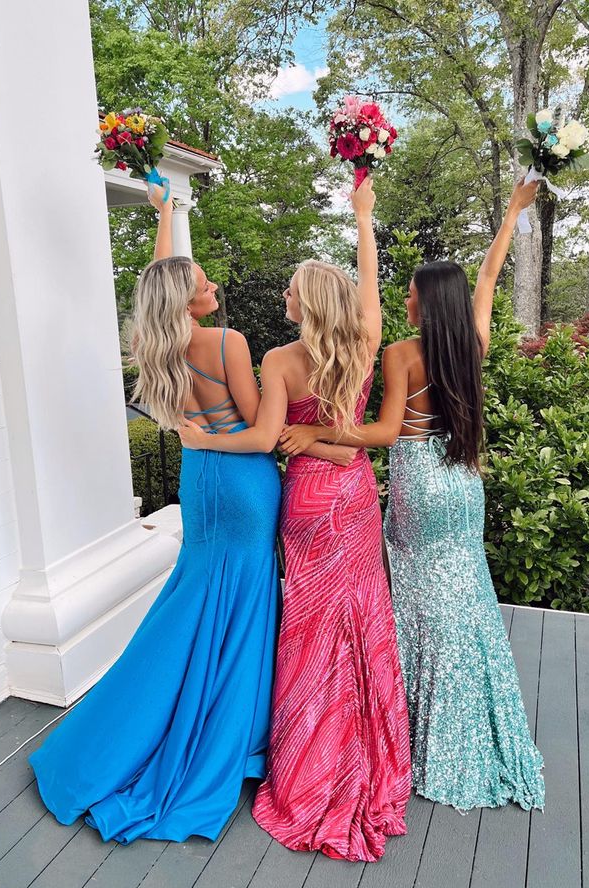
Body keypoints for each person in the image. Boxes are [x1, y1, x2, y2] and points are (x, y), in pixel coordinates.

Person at [28, 184, 355, 845]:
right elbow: (257, 426)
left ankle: (128, 723)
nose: (211, 284)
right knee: (244, 602)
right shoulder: (228, 342)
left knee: (197, 594)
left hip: (200, 478)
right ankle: (230, 738)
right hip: (240, 473)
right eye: (202, 281)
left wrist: (167, 217)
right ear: (190, 298)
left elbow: (161, 283)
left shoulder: (156, 341)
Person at [279, 179, 545, 812]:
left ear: (426, 303)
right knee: (467, 594)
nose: (403, 298)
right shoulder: (472, 345)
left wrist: (316, 429)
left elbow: (386, 431)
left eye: (409, 293)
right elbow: (486, 281)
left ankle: (425, 733)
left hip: (420, 482)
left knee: (420, 601)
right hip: (463, 482)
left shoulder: (402, 353)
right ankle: (476, 717)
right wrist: (510, 213)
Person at [179, 177, 412, 862]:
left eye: (288, 290)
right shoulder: (365, 342)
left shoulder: (279, 360)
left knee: (309, 629)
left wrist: (204, 438)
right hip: (354, 496)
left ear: (305, 302)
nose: (282, 298)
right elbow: (368, 286)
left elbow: (268, 437)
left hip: (306, 500)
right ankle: (365, 750)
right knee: (362, 617)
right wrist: (364, 215)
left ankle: (311, 758)